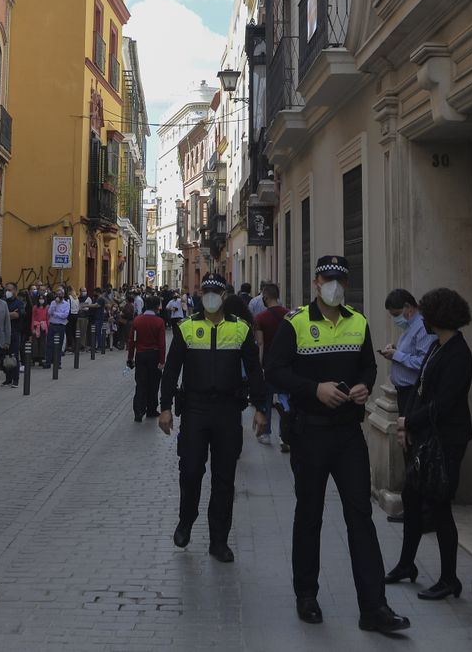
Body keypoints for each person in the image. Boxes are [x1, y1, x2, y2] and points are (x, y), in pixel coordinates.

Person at [265, 254, 409, 634]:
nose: (334, 286)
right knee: (309, 515)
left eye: (340, 281)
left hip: (348, 434)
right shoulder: (294, 324)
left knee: (360, 517)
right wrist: (314, 389)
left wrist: (364, 387)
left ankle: (374, 608)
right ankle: (306, 595)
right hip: (310, 433)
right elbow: (274, 370)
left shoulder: (357, 322)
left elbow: (369, 366)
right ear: (316, 283)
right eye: (328, 279)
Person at [159, 273, 268, 563]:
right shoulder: (186, 328)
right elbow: (171, 371)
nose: (209, 295)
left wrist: (260, 407)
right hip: (194, 410)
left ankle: (219, 541)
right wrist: (165, 407)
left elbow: (254, 370)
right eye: (205, 290)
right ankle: (186, 519)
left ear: (224, 296)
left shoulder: (241, 329)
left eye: (214, 291)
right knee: (191, 470)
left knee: (224, 478)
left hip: (228, 411)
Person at [385, 288, 472, 599]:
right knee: (412, 498)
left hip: (448, 439)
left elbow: (446, 403)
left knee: (439, 507)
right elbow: (420, 390)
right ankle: (407, 564)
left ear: (438, 317)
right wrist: (407, 424)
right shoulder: (438, 346)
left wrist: (410, 422)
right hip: (427, 436)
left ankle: (450, 578)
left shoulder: (458, 353)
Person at [380, 288, 435, 524]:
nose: (395, 318)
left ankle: (422, 509)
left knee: (414, 449)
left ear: (407, 307)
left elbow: (424, 363)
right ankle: (413, 506)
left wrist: (397, 356)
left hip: (414, 394)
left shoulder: (421, 327)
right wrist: (396, 351)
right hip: (404, 394)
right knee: (408, 448)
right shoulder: (409, 327)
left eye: (396, 313)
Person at [251, 283, 290, 449]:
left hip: (268, 365)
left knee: (266, 400)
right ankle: (285, 436)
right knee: (284, 399)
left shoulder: (260, 318)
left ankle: (266, 433)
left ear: (265, 297)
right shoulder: (290, 315)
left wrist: (259, 367)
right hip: (287, 365)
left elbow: (260, 343)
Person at [127, 299, 167, 422]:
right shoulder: (159, 322)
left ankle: (138, 411)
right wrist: (162, 360)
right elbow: (162, 343)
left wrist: (130, 358)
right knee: (154, 384)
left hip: (141, 355)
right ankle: (151, 409)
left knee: (141, 383)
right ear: (156, 307)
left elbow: (132, 341)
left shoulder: (137, 321)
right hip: (154, 355)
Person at [3, 282, 24, 388]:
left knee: (14, 356)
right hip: (4, 333)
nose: (7, 292)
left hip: (14, 332)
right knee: (5, 356)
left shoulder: (19, 303)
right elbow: (0, 314)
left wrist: (6, 314)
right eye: (6, 290)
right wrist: (9, 314)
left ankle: (15, 379)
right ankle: (8, 378)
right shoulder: (3, 302)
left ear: (15, 291)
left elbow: (17, 315)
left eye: (10, 290)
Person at [47, 287, 72, 370]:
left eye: (60, 294)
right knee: (50, 344)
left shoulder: (66, 304)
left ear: (63, 294)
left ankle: (58, 362)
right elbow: (50, 313)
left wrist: (56, 314)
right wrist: (55, 306)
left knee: (59, 345)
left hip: (61, 326)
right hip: (52, 325)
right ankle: (48, 362)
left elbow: (65, 315)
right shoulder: (53, 303)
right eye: (57, 294)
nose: (59, 295)